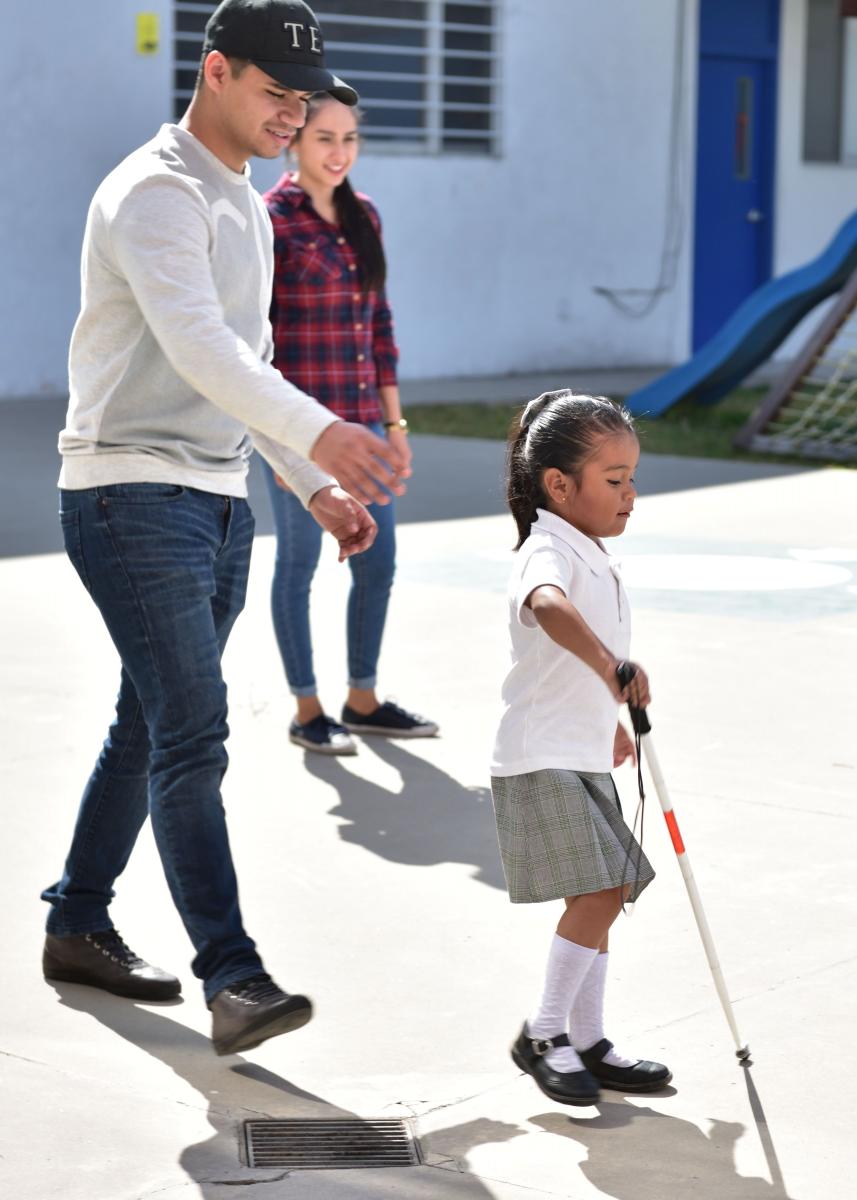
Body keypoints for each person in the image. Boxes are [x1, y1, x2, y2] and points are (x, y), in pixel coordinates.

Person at [41, 0, 410, 1057]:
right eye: (274, 94)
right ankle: (233, 977)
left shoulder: (237, 197)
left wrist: (305, 482)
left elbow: (248, 373)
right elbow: (202, 348)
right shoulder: (156, 192)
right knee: (193, 727)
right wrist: (324, 434)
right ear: (212, 72)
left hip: (211, 498)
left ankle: (76, 920)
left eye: (305, 100)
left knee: (149, 723)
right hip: (128, 494)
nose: (292, 115)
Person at [490, 390, 672, 1105]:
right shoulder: (545, 552)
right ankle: (543, 1033)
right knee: (599, 891)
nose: (630, 495)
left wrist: (610, 722)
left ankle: (588, 1039)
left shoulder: (587, 550)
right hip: (539, 756)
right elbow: (547, 608)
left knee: (602, 893)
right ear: (558, 486)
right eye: (614, 480)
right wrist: (610, 669)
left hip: (580, 748)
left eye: (631, 478)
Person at [259, 95, 438, 754]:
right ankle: (307, 709)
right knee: (299, 564)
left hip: (365, 423)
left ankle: (361, 699)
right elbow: (257, 343)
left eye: (350, 139)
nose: (339, 153)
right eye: (325, 138)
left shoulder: (365, 217)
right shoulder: (269, 219)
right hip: (300, 427)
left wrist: (395, 423)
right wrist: (279, 445)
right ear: (293, 142)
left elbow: (378, 326)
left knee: (378, 561)